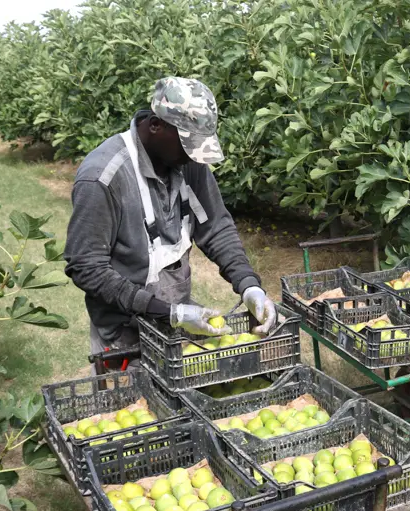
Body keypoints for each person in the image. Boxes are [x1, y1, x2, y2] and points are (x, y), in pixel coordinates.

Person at [64, 77, 277, 372]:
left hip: (177, 325)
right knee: (135, 414)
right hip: (125, 335)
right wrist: (168, 312)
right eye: (188, 144)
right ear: (155, 125)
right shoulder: (104, 177)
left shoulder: (186, 163)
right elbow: (86, 267)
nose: (193, 155)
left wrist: (249, 285)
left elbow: (216, 227)